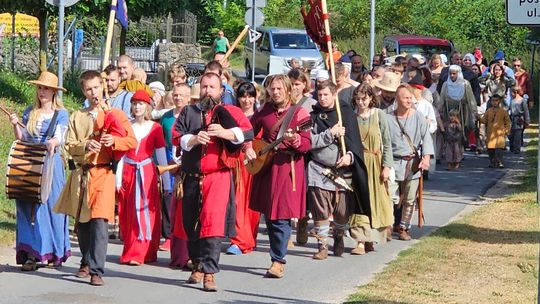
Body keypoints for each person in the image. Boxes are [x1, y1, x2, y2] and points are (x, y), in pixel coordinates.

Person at [55, 70, 137, 286]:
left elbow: (131, 141)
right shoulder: (77, 116)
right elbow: (69, 145)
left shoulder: (115, 114)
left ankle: (96, 270)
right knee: (83, 225)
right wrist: (85, 145)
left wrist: (114, 142)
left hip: (103, 173)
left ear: (103, 87)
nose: (93, 92)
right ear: (84, 91)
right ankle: (86, 259)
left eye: (96, 87)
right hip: (82, 174)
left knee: (100, 222)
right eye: (89, 89)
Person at [174, 72, 253, 291]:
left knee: (212, 225)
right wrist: (193, 138)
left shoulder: (231, 111)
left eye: (212, 86)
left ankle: (209, 272)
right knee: (191, 224)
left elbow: (248, 132)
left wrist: (226, 132)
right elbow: (176, 136)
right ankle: (197, 265)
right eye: (204, 86)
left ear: (221, 90)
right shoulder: (189, 112)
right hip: (191, 176)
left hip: (217, 176)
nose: (208, 90)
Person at [246, 74, 311, 278]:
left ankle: (278, 260)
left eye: (279, 89)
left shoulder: (300, 114)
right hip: (266, 168)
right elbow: (248, 130)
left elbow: (307, 144)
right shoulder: (263, 111)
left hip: (287, 168)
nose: (275, 92)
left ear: (288, 90)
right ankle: (277, 256)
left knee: (281, 216)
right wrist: (248, 146)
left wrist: (296, 140)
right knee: (270, 215)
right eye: (272, 89)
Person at [9, 71, 71, 271]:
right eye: (40, 88)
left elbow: (60, 135)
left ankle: (53, 251)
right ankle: (30, 254)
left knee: (51, 208)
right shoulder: (30, 112)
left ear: (54, 92)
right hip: (30, 161)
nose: (42, 91)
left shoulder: (60, 114)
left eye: (46, 88)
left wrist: (52, 142)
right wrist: (15, 126)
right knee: (27, 206)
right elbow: (23, 138)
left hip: (52, 164)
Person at [307, 80, 371, 259]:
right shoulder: (313, 117)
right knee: (320, 209)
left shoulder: (346, 115)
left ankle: (339, 236)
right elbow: (309, 143)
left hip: (343, 172)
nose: (323, 98)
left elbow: (355, 143)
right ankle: (322, 246)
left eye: (326, 95)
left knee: (342, 211)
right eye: (320, 95)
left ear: (334, 95)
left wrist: (350, 156)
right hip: (318, 169)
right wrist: (330, 134)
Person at [116, 90, 171, 265]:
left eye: (140, 103)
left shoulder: (155, 128)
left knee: (147, 210)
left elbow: (161, 156)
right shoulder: (126, 127)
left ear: (147, 106)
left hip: (147, 173)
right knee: (131, 211)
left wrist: (167, 183)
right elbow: (121, 155)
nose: (137, 106)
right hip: (129, 172)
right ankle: (132, 249)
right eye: (134, 103)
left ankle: (145, 250)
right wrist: (117, 180)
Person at [350, 83, 394, 253]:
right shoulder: (352, 116)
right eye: (358, 99)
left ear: (371, 98)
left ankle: (371, 239)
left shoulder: (379, 115)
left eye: (364, 99)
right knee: (360, 200)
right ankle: (360, 241)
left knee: (376, 201)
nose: (361, 102)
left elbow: (387, 142)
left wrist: (386, 166)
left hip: (375, 162)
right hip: (359, 163)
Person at [386, 85, 434, 241]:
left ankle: (403, 228)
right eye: (405, 98)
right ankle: (388, 225)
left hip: (411, 163)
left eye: (410, 98)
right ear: (397, 99)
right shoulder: (387, 117)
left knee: (409, 198)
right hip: (392, 162)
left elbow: (426, 137)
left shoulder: (418, 116)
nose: (409, 100)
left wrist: (426, 157)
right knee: (389, 196)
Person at [226, 82, 261, 255]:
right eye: (243, 96)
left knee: (253, 204)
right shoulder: (233, 117)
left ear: (255, 97)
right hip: (237, 162)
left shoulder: (260, 117)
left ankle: (249, 237)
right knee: (238, 201)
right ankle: (239, 241)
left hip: (256, 163)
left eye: (250, 96)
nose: (246, 100)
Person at [160, 84, 190, 264]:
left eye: (182, 95)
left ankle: (186, 251)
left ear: (188, 98)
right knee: (169, 199)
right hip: (169, 162)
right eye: (176, 95)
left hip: (186, 163)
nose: (178, 98)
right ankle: (170, 237)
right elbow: (163, 143)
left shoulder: (193, 115)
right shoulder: (166, 117)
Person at [479, 94, 510, 168]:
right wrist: (478, 118)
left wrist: (506, 130)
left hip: (499, 134)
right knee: (490, 149)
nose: (494, 102)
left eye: (496, 100)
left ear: (499, 101)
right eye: (493, 100)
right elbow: (484, 120)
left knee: (499, 149)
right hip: (490, 133)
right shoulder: (489, 111)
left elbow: (507, 122)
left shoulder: (503, 111)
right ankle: (492, 162)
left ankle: (500, 162)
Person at [508, 87, 530, 154]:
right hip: (512, 118)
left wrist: (527, 120)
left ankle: (517, 149)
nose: (511, 94)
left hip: (519, 119)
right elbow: (509, 108)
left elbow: (526, 111)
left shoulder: (522, 100)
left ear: (516, 92)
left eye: (511, 92)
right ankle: (512, 147)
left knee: (518, 134)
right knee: (511, 134)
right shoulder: (512, 100)